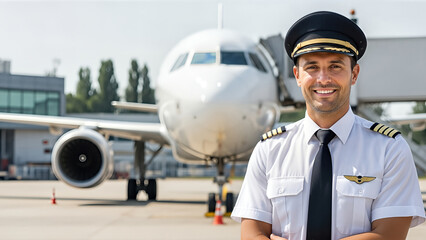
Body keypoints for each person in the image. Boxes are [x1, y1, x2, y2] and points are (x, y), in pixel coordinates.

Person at [231, 11, 425, 240]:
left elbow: (389, 236)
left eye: (335, 66)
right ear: (297, 75)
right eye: (312, 67)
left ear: (354, 74)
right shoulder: (269, 150)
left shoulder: (389, 149)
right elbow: (251, 234)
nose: (323, 78)